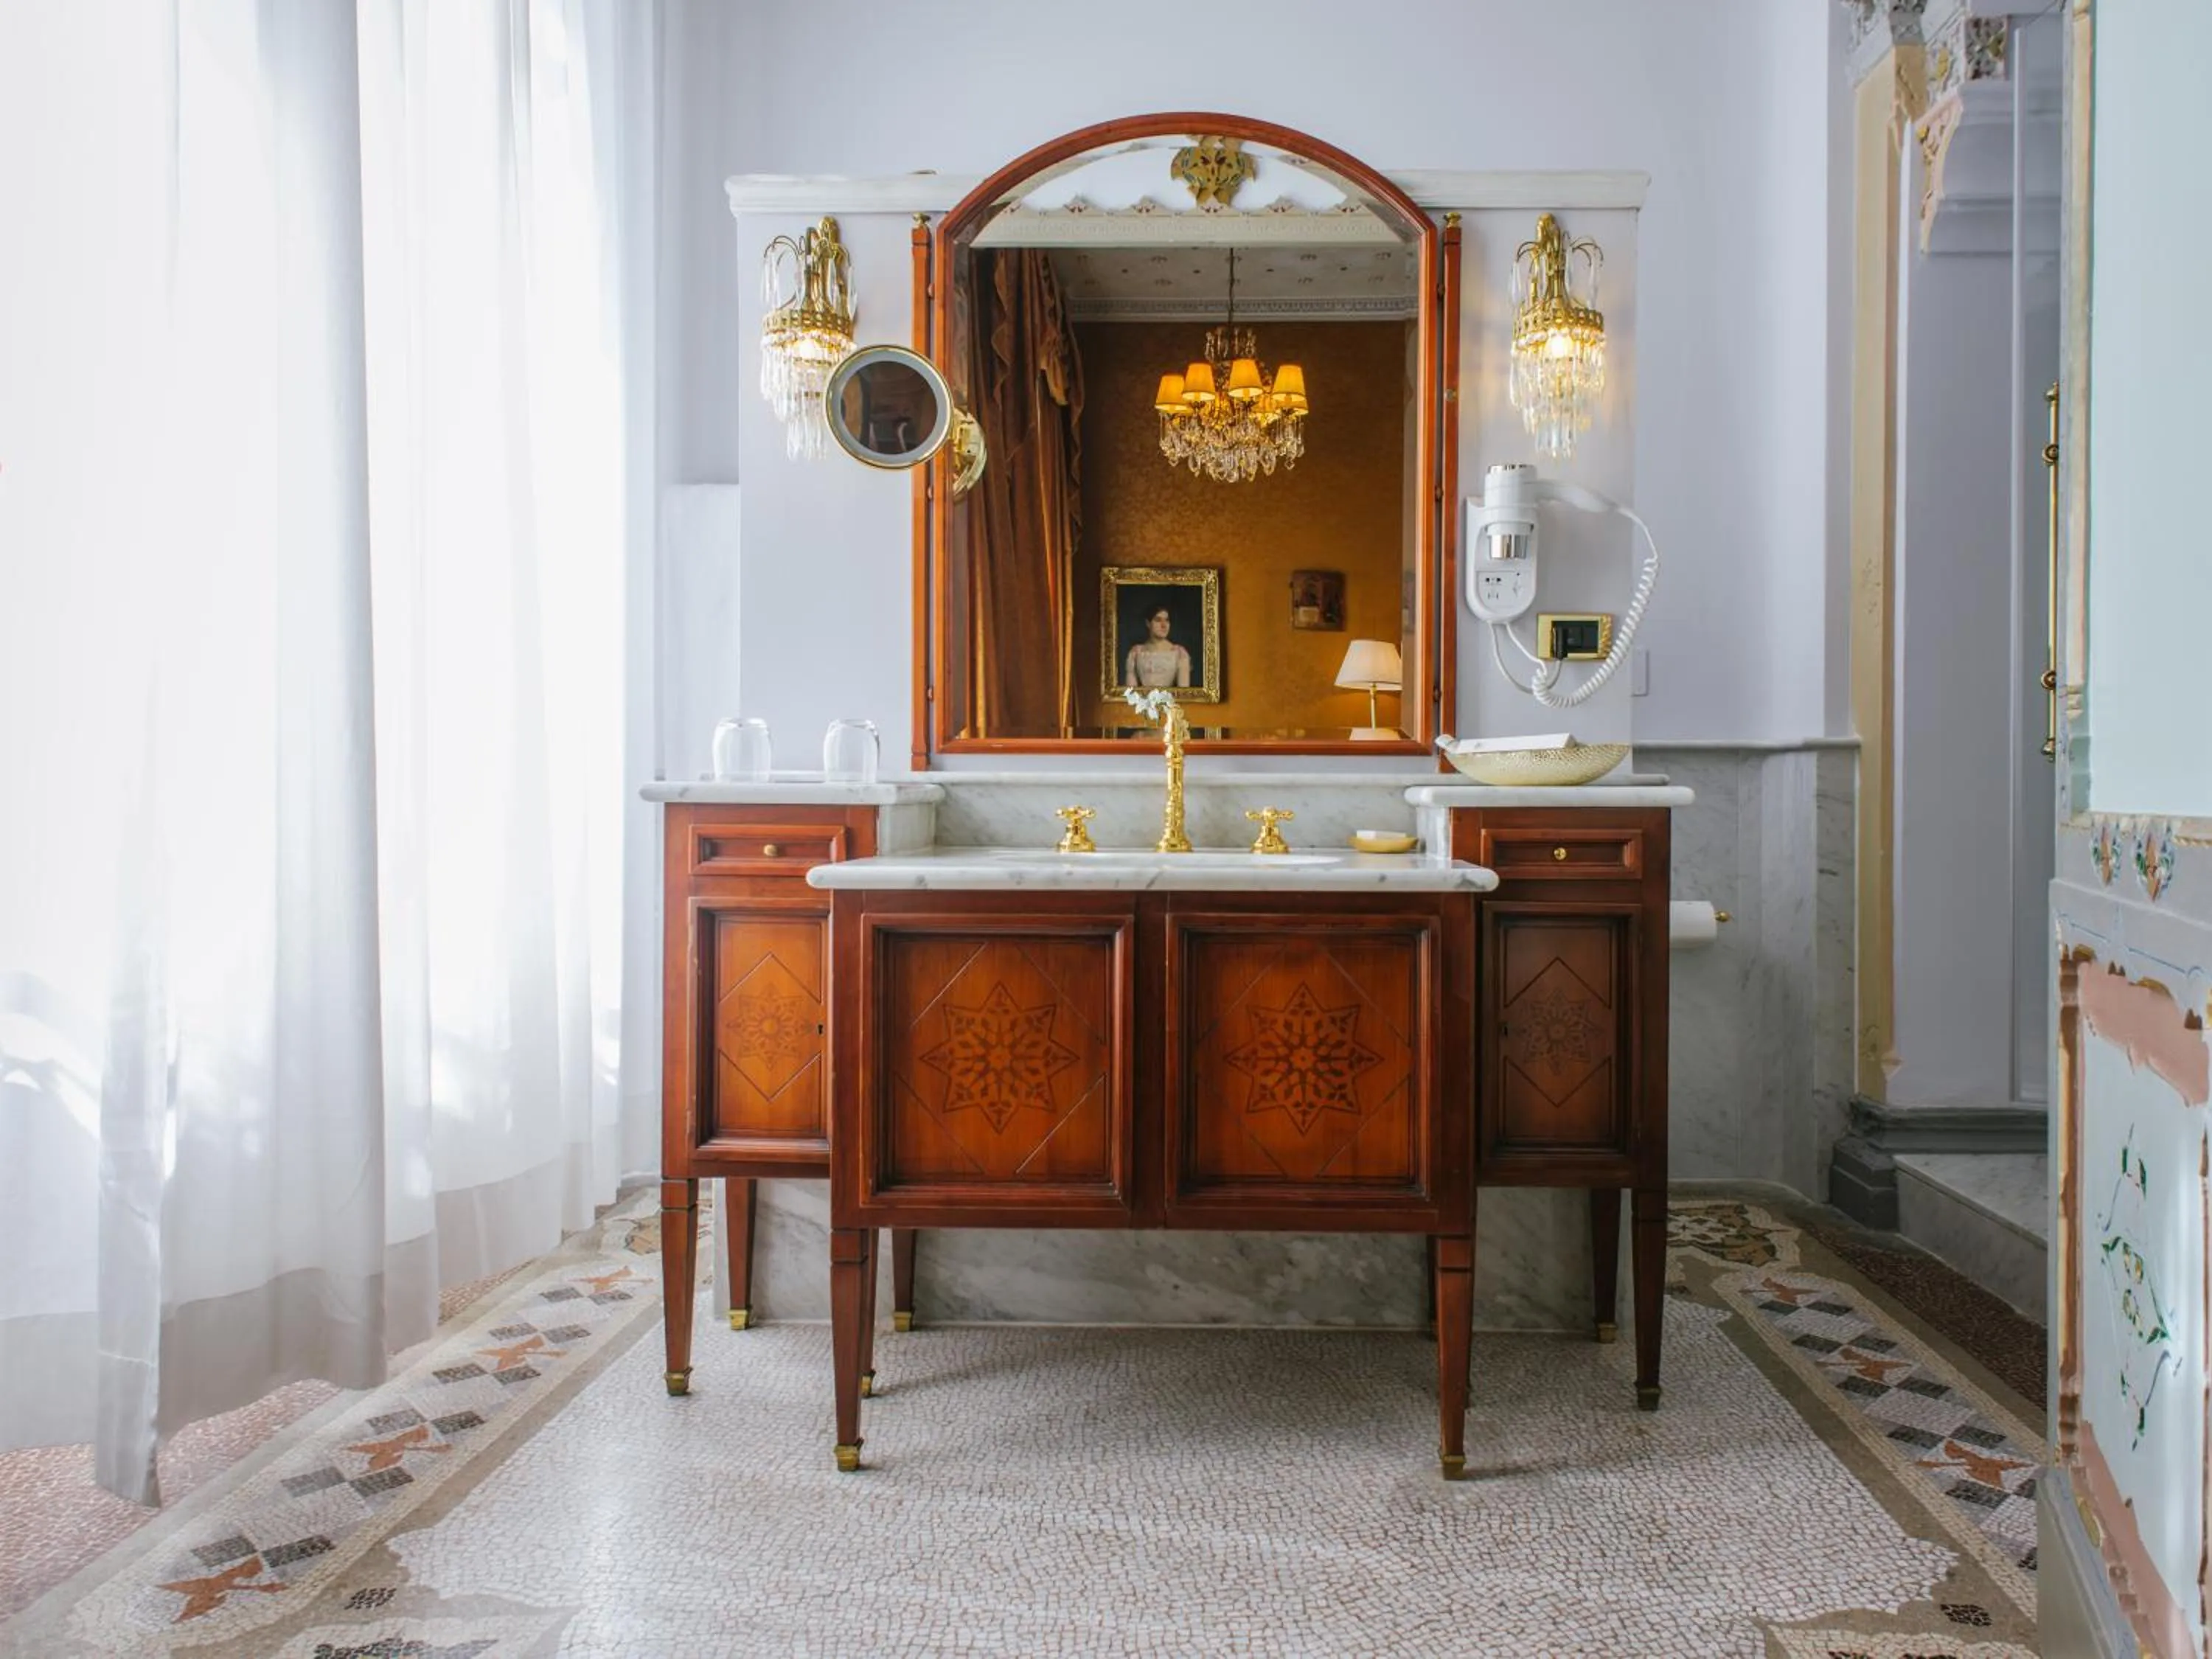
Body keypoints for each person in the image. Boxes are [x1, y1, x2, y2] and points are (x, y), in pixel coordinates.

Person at [1124, 604, 1192, 689]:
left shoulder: (1179, 653)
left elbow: (1183, 693)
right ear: (1148, 623)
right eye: (1158, 620)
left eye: (1167, 620)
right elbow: (1130, 692)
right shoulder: (1136, 652)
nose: (1164, 625)